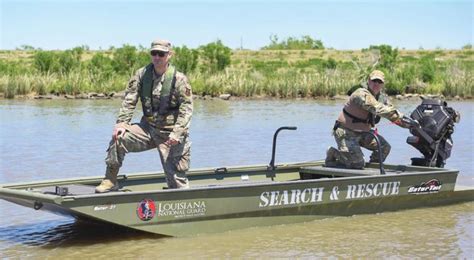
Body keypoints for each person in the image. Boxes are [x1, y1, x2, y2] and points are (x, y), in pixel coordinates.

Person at [95, 39, 193, 193]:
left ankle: (180, 200)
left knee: (177, 184)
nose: (157, 57)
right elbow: (129, 101)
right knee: (119, 138)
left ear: (169, 55)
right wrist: (122, 123)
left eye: (161, 54)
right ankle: (110, 180)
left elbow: (186, 109)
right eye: (154, 53)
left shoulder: (179, 80)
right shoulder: (141, 75)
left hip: (170, 135)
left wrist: (177, 133)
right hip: (148, 129)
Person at [325, 70, 409, 169]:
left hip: (364, 133)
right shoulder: (360, 93)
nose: (376, 84)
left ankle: (372, 167)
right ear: (368, 81)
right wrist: (399, 117)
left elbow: (393, 113)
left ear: (383, 84)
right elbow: (379, 108)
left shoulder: (382, 98)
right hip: (346, 132)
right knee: (357, 164)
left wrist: (409, 125)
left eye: (379, 82)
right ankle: (333, 153)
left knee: (384, 147)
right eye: (374, 81)